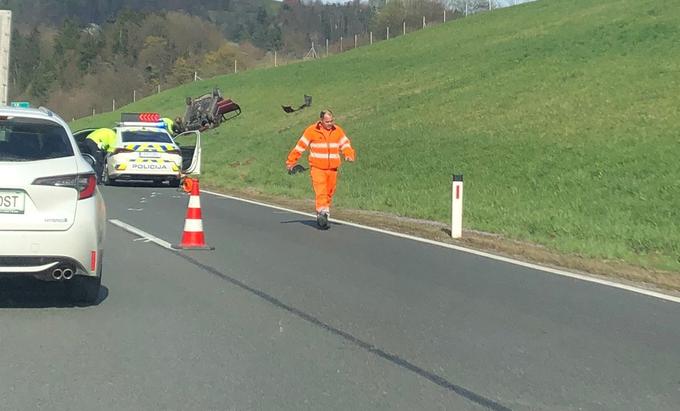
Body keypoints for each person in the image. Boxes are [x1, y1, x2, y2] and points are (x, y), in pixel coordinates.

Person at [286, 109, 355, 229]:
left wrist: (349, 154)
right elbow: (300, 146)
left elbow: (345, 144)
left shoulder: (337, 131)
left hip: (332, 169)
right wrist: (291, 161)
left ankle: (323, 213)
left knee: (329, 192)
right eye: (327, 121)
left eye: (331, 121)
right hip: (317, 168)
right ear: (321, 121)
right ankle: (323, 213)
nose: (330, 123)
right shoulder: (311, 131)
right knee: (321, 191)